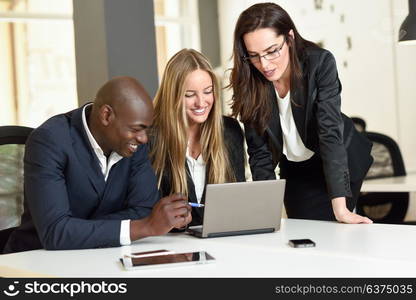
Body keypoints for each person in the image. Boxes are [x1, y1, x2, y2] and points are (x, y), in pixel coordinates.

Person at [3, 76, 192, 253]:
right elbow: (56, 232)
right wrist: (145, 226)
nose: (143, 139)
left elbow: (144, 209)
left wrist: (77, 229)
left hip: (105, 256)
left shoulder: (135, 143)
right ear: (106, 115)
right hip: (34, 260)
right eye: (136, 129)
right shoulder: (50, 141)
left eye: (145, 130)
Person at [228, 3, 373, 223]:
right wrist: (266, 214)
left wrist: (341, 210)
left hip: (335, 159)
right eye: (254, 55)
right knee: (303, 232)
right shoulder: (248, 80)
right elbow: (259, 153)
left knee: (336, 230)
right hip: (295, 166)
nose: (265, 64)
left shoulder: (319, 63)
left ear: (290, 38)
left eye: (272, 51)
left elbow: (329, 134)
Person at [150, 49, 245, 226]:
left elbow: (237, 200)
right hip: (169, 245)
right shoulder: (151, 138)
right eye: (190, 94)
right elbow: (142, 210)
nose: (201, 103)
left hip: (221, 242)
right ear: (173, 96)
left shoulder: (229, 131)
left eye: (208, 91)